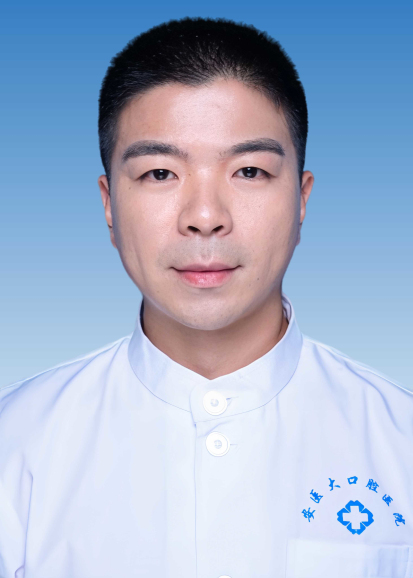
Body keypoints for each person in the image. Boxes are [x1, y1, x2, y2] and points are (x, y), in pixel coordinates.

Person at [0, 17, 412, 578]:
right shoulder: (17, 441)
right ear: (108, 204)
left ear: (301, 198)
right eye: (159, 173)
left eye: (249, 170)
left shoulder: (400, 441)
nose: (204, 217)